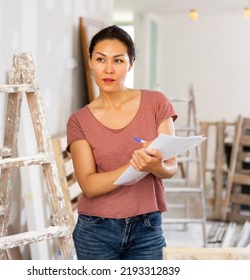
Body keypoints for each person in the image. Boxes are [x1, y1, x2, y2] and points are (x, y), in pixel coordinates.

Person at [66, 25, 178, 260]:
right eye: (100, 59)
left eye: (118, 61)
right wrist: (135, 166)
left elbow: (170, 167)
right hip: (95, 231)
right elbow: (89, 185)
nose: (108, 69)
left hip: (147, 228)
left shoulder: (156, 103)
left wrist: (155, 165)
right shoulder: (78, 121)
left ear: (131, 63)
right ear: (90, 62)